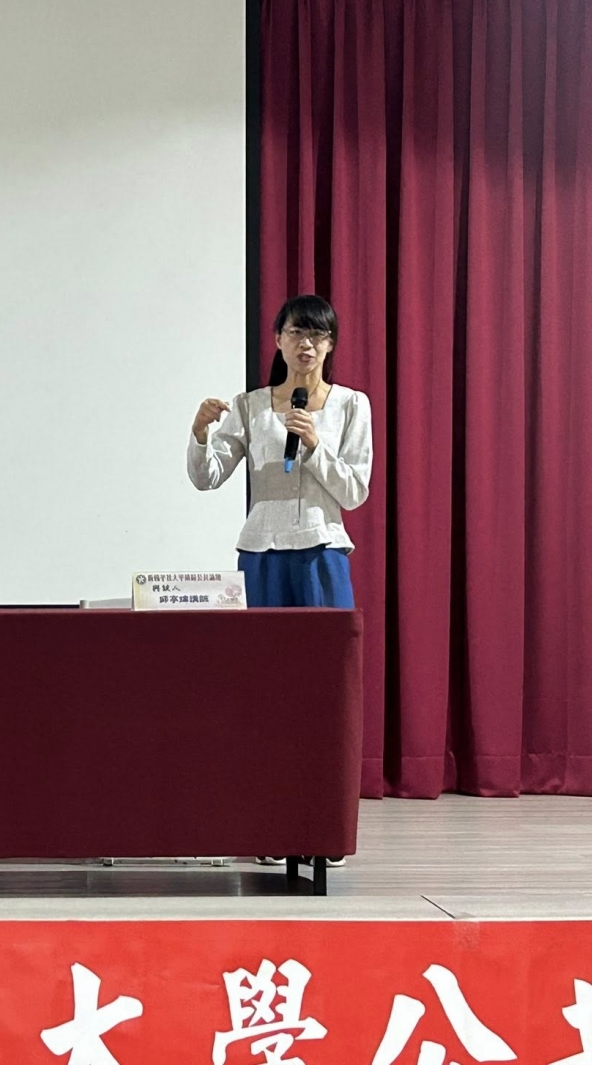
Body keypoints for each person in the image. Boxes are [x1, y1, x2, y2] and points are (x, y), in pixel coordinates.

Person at [187, 294, 372, 868]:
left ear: (331, 345)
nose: (306, 344)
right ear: (278, 340)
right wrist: (200, 435)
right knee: (264, 691)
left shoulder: (351, 405)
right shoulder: (250, 406)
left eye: (317, 335)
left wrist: (314, 446)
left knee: (327, 692)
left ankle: (325, 826)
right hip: (262, 553)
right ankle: (270, 823)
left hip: (322, 551)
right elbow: (208, 478)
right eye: (296, 332)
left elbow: (355, 491)